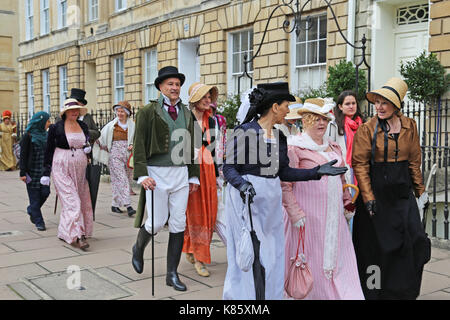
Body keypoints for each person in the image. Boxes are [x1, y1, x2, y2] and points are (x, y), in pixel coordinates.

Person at [222, 82, 348, 300]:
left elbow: (284, 172)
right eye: (286, 105)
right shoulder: (245, 132)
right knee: (249, 256)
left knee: (272, 257)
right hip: (247, 201)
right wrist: (242, 185)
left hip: (270, 202)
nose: (289, 110)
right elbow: (229, 168)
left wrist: (317, 172)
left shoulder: (279, 137)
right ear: (274, 107)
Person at [352, 77, 431, 300]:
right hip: (376, 192)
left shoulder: (410, 126)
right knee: (375, 249)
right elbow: (360, 164)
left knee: (413, 241)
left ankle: (402, 292)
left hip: (402, 192)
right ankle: (374, 292)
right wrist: (368, 197)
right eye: (377, 102)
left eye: (384, 103)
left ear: (397, 105)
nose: (379, 107)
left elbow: (415, 162)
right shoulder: (367, 129)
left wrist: (420, 192)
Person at [281, 98, 364, 300]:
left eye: (324, 120)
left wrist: (347, 201)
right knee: (313, 262)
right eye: (315, 119)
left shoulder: (334, 147)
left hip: (334, 218)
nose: (321, 123)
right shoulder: (295, 147)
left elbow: (342, 178)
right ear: (306, 120)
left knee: (340, 263)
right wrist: (294, 213)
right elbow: (285, 184)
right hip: (308, 218)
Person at [131, 66, 200, 292]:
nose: (174, 88)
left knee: (179, 223)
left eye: (177, 84)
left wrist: (193, 176)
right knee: (157, 222)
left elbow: (193, 146)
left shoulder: (188, 114)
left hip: (180, 174)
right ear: (160, 87)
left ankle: (172, 274)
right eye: (170, 84)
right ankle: (138, 248)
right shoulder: (147, 112)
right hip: (156, 173)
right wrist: (142, 175)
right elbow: (139, 143)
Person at [42, 98, 94, 250]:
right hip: (61, 166)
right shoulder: (56, 128)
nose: (75, 112)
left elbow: (87, 140)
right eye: (72, 110)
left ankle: (66, 231)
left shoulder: (83, 125)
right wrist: (46, 172)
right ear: (65, 112)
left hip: (80, 169)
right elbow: (49, 150)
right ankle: (78, 235)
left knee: (80, 201)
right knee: (73, 202)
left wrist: (87, 148)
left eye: (77, 110)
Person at [183, 82, 219, 277]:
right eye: (204, 97)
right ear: (195, 99)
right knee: (194, 213)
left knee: (209, 214)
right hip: (190, 170)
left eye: (209, 97)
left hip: (208, 170)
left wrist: (216, 174)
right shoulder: (184, 119)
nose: (208, 100)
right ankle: (199, 258)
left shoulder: (211, 121)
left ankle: (192, 248)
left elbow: (213, 149)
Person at [326, 91, 364, 228]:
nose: (351, 106)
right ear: (340, 106)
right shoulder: (334, 125)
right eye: (347, 104)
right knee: (347, 209)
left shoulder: (362, 124)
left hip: (362, 171)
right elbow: (330, 150)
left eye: (353, 103)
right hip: (346, 172)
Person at [93, 100, 136, 216]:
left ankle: (115, 204)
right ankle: (128, 205)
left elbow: (138, 139)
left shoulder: (133, 126)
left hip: (128, 155)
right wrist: (97, 143)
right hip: (114, 154)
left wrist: (133, 144)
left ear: (127, 113)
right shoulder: (111, 125)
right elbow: (101, 137)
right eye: (118, 111)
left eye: (122, 111)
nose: (120, 113)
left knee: (124, 179)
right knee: (123, 179)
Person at [19, 111, 51, 231]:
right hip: (31, 172)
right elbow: (23, 155)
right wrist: (22, 172)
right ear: (40, 122)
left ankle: (32, 209)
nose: (49, 123)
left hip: (44, 172)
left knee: (45, 193)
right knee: (34, 197)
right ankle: (39, 221)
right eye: (47, 121)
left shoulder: (46, 135)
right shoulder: (28, 136)